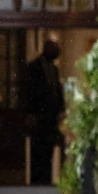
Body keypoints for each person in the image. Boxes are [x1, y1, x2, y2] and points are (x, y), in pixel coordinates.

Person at [24, 39, 65, 185]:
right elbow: (28, 92)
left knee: (49, 150)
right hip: (38, 115)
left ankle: (47, 180)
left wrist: (61, 110)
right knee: (37, 150)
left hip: (51, 117)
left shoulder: (54, 69)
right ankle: (36, 181)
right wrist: (30, 114)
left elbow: (58, 91)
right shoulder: (33, 67)